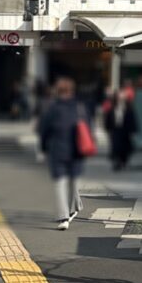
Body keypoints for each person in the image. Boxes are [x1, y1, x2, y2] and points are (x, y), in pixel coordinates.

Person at [37, 76, 89, 230]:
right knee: (73, 181)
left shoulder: (52, 109)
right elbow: (88, 127)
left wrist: (43, 147)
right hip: (76, 151)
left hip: (57, 151)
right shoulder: (79, 107)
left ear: (57, 92)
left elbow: (44, 130)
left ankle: (64, 217)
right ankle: (73, 208)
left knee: (60, 183)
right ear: (72, 91)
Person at [103, 86, 138, 170]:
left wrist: (133, 129)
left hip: (125, 130)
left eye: (122, 97)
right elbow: (108, 118)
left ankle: (123, 160)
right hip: (115, 130)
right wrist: (107, 128)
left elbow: (132, 119)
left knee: (125, 147)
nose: (120, 99)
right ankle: (116, 162)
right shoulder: (112, 107)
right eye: (119, 97)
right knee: (115, 146)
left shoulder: (129, 108)